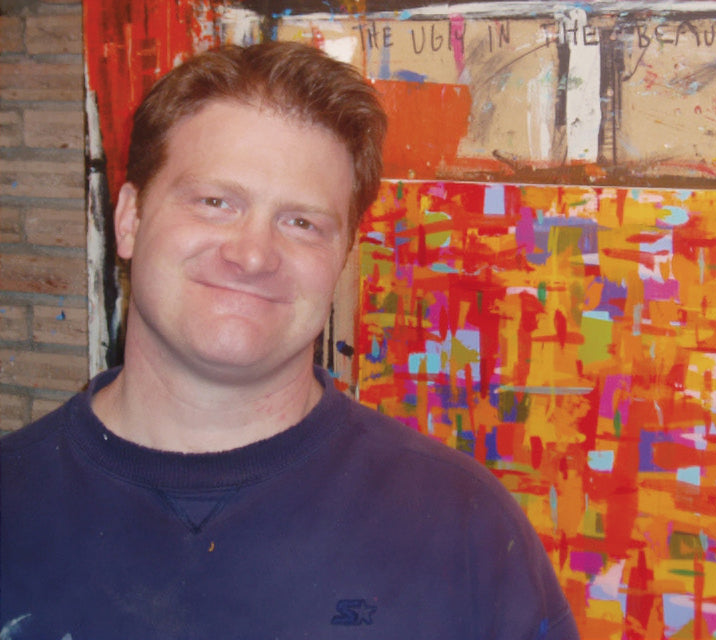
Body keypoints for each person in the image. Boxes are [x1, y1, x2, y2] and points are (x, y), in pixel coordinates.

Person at [1, 42, 579, 639]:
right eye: (215, 202)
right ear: (129, 218)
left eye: (302, 223)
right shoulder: (11, 509)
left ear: (342, 260)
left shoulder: (465, 528)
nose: (252, 254)